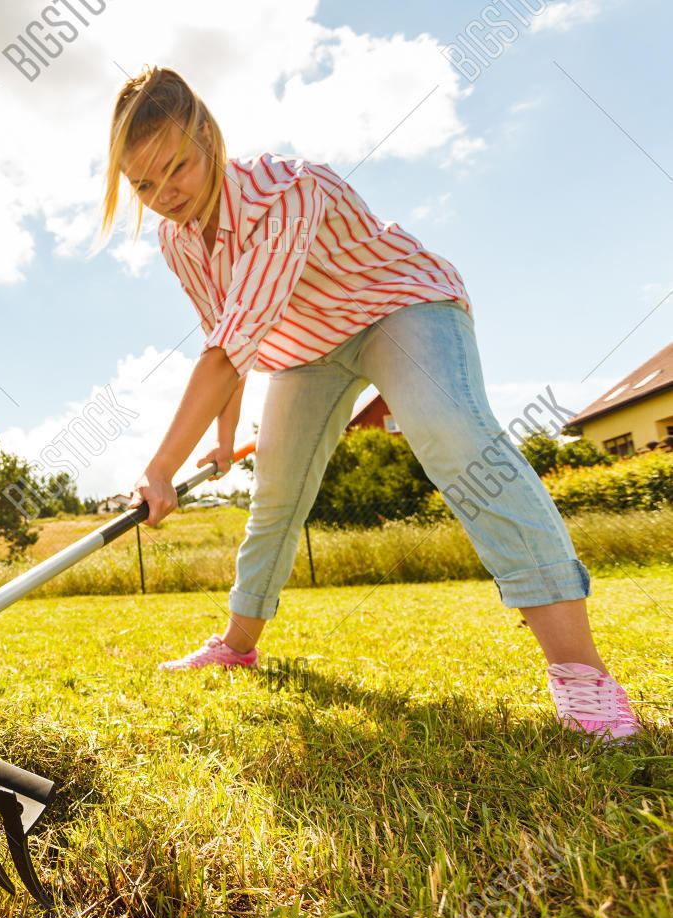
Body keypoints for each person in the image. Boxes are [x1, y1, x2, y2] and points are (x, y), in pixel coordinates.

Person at [101, 65, 642, 745]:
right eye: (143, 185)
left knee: (454, 437)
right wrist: (222, 438)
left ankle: (582, 675)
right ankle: (237, 644)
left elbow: (226, 351)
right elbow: (225, 339)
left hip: (397, 306)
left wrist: (159, 465)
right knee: (275, 494)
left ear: (209, 136)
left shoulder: (287, 192)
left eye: (175, 167)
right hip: (306, 352)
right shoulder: (178, 244)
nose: (164, 195)